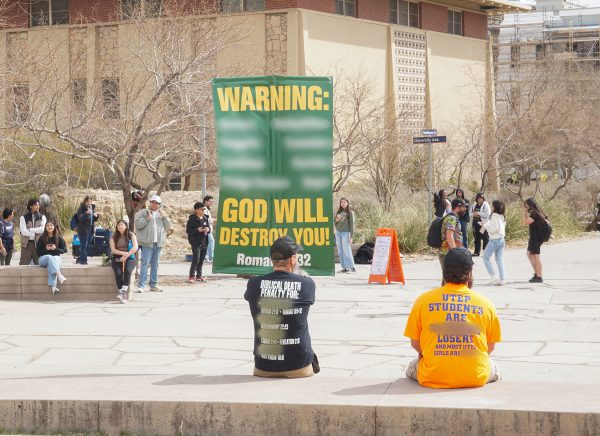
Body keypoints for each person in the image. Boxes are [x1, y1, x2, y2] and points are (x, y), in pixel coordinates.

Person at [404, 247, 502, 388]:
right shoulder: (485, 304)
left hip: (433, 375)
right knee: (496, 368)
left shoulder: (423, 301)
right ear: (469, 274)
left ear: (444, 273)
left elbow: (415, 343)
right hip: (475, 377)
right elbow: (489, 347)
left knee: (411, 367)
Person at [244, 236, 319, 378]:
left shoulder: (254, 284)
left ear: (272, 260)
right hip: (299, 366)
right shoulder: (307, 284)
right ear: (292, 259)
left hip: (264, 366)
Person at [134, 194, 171, 292]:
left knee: (155, 265)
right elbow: (137, 225)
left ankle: (153, 285)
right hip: (147, 243)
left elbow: (168, 227)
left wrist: (164, 217)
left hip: (158, 243)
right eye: (152, 202)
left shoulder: (162, 214)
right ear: (149, 203)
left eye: (157, 203)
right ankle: (141, 285)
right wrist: (147, 219)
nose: (154, 204)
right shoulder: (142, 212)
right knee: (145, 264)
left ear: (159, 204)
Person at [109, 220, 139, 304]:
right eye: (118, 225)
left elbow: (135, 246)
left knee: (128, 270)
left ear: (126, 226)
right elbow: (113, 250)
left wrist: (127, 254)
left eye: (122, 225)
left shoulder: (131, 234)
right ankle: (122, 293)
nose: (120, 226)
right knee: (118, 273)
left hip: (130, 256)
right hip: (118, 256)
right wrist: (123, 254)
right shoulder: (113, 236)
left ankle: (123, 292)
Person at [438, 198, 467, 285]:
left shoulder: (452, 217)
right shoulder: (452, 218)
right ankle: (444, 297)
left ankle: (445, 297)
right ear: (457, 207)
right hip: (448, 253)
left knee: (447, 279)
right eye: (463, 207)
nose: (465, 209)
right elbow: (449, 235)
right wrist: (455, 252)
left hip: (448, 252)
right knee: (448, 279)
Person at [36, 221, 67, 295]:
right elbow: (38, 252)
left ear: (54, 226)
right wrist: (46, 250)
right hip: (43, 259)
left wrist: (55, 249)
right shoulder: (41, 238)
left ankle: (53, 287)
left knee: (51, 263)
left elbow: (64, 250)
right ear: (45, 227)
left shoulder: (59, 237)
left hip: (56, 258)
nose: (49, 227)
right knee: (49, 257)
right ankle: (59, 275)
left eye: (51, 225)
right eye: (47, 225)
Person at [480, 200, 506, 286]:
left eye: (492, 206)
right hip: (501, 239)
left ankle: (493, 276)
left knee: (485, 257)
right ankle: (502, 279)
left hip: (494, 240)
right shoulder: (501, 216)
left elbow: (493, 229)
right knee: (499, 260)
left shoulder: (494, 216)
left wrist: (485, 226)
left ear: (494, 207)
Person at [523, 197, 547, 283]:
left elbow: (525, 222)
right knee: (529, 254)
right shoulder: (537, 212)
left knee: (536, 257)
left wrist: (525, 212)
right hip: (534, 238)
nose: (525, 206)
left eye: (526, 205)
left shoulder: (534, 214)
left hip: (536, 238)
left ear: (530, 205)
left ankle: (539, 276)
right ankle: (536, 273)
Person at [186, 202, 210, 283]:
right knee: (196, 259)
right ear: (196, 210)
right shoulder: (192, 219)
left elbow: (209, 229)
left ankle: (199, 276)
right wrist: (197, 230)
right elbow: (188, 231)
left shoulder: (205, 218)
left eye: (204, 209)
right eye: (202, 209)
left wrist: (207, 230)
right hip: (196, 242)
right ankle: (191, 276)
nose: (203, 210)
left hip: (204, 242)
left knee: (201, 260)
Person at [19, 198, 46, 265]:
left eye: (38, 205)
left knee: (39, 264)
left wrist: (31, 230)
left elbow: (42, 229)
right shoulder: (23, 217)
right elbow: (23, 232)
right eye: (36, 205)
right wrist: (36, 234)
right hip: (27, 244)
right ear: (31, 206)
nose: (38, 207)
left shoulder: (42, 217)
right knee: (23, 264)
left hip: (39, 243)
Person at [75, 195, 99, 265]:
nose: (89, 203)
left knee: (87, 246)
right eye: (87, 201)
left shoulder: (92, 207)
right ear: (85, 201)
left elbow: (94, 219)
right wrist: (86, 213)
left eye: (90, 201)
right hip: (83, 230)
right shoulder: (81, 208)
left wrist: (96, 216)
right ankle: (83, 261)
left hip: (91, 229)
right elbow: (80, 219)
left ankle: (80, 258)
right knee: (83, 246)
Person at [334, 197, 356, 273]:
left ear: (347, 203)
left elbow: (352, 225)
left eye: (344, 202)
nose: (343, 203)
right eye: (341, 202)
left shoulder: (350, 212)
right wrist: (336, 221)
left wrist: (351, 236)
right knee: (340, 251)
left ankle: (352, 267)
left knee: (347, 250)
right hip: (338, 233)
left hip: (345, 233)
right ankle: (344, 268)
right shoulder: (339, 212)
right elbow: (335, 223)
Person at [203, 195, 215, 263]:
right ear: (206, 201)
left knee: (207, 243)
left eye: (212, 201)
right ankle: (210, 257)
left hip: (208, 229)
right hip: (206, 229)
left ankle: (207, 257)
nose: (211, 203)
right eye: (210, 201)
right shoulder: (204, 209)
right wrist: (211, 221)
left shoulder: (207, 209)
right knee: (211, 242)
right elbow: (206, 219)